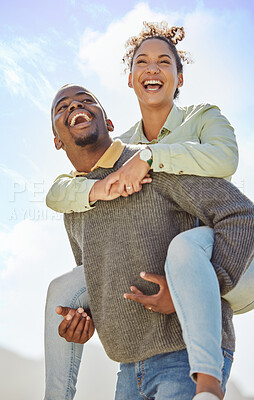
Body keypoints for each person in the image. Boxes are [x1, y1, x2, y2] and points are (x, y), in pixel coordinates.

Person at [45, 83, 254, 400]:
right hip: (129, 370)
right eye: (62, 107)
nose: (74, 106)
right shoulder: (74, 208)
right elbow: (103, 284)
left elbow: (239, 214)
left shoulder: (153, 161)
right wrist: (85, 321)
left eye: (86, 100)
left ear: (110, 123)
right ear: (57, 141)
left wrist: (205, 285)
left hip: (187, 357)